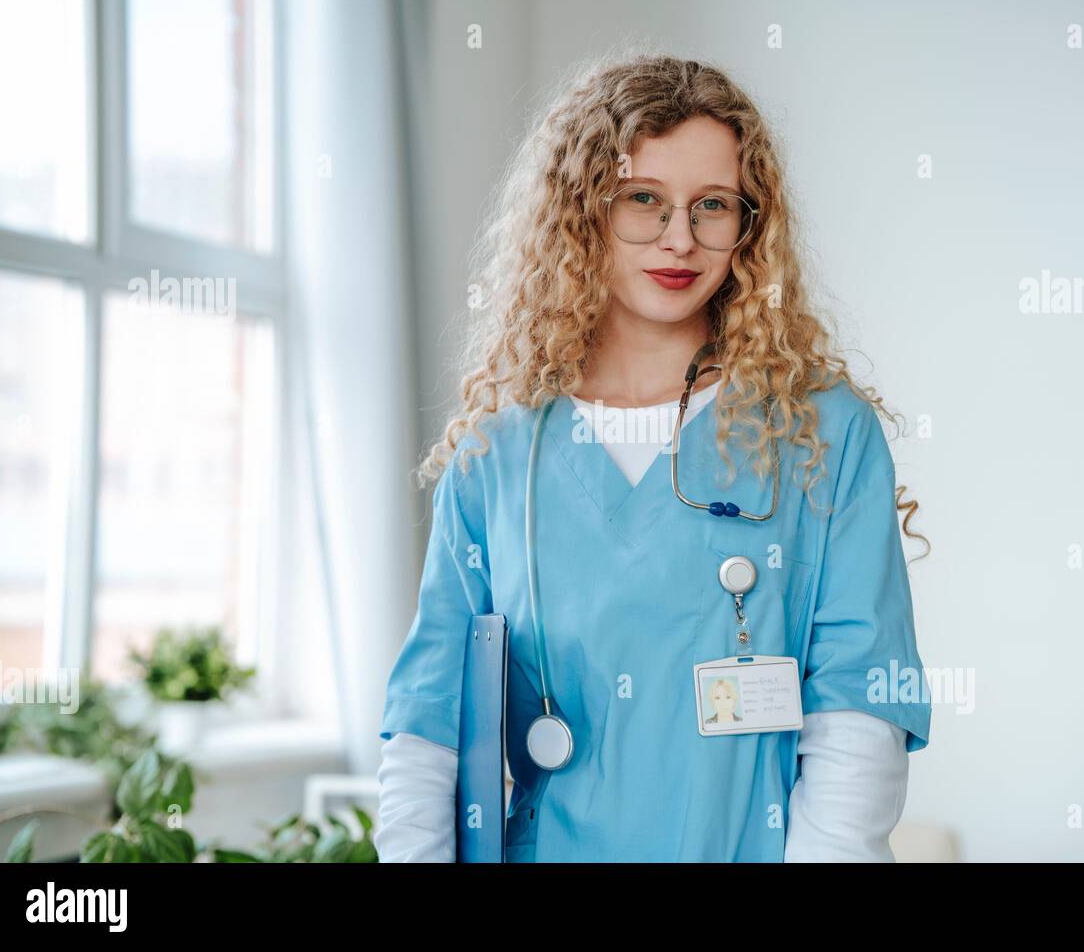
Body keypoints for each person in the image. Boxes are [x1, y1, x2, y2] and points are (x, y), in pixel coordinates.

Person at [375, 53, 932, 863]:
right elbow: (431, 724)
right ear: (580, 212)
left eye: (713, 205)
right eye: (644, 200)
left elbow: (859, 711)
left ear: (751, 225)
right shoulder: (499, 450)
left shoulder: (821, 432)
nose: (681, 239)